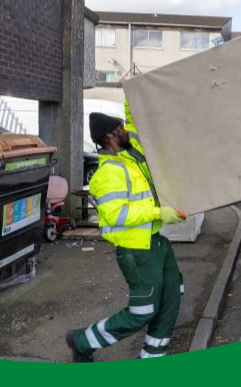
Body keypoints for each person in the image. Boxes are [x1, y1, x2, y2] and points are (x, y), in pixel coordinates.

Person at [66, 112, 185, 362]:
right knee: (143, 311)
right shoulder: (108, 172)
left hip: (156, 243)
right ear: (111, 136)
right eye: (121, 127)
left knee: (172, 296)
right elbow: (117, 213)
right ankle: (82, 341)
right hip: (136, 252)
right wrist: (158, 212)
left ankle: (153, 355)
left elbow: (136, 116)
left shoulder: (130, 157)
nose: (127, 130)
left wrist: (134, 94)